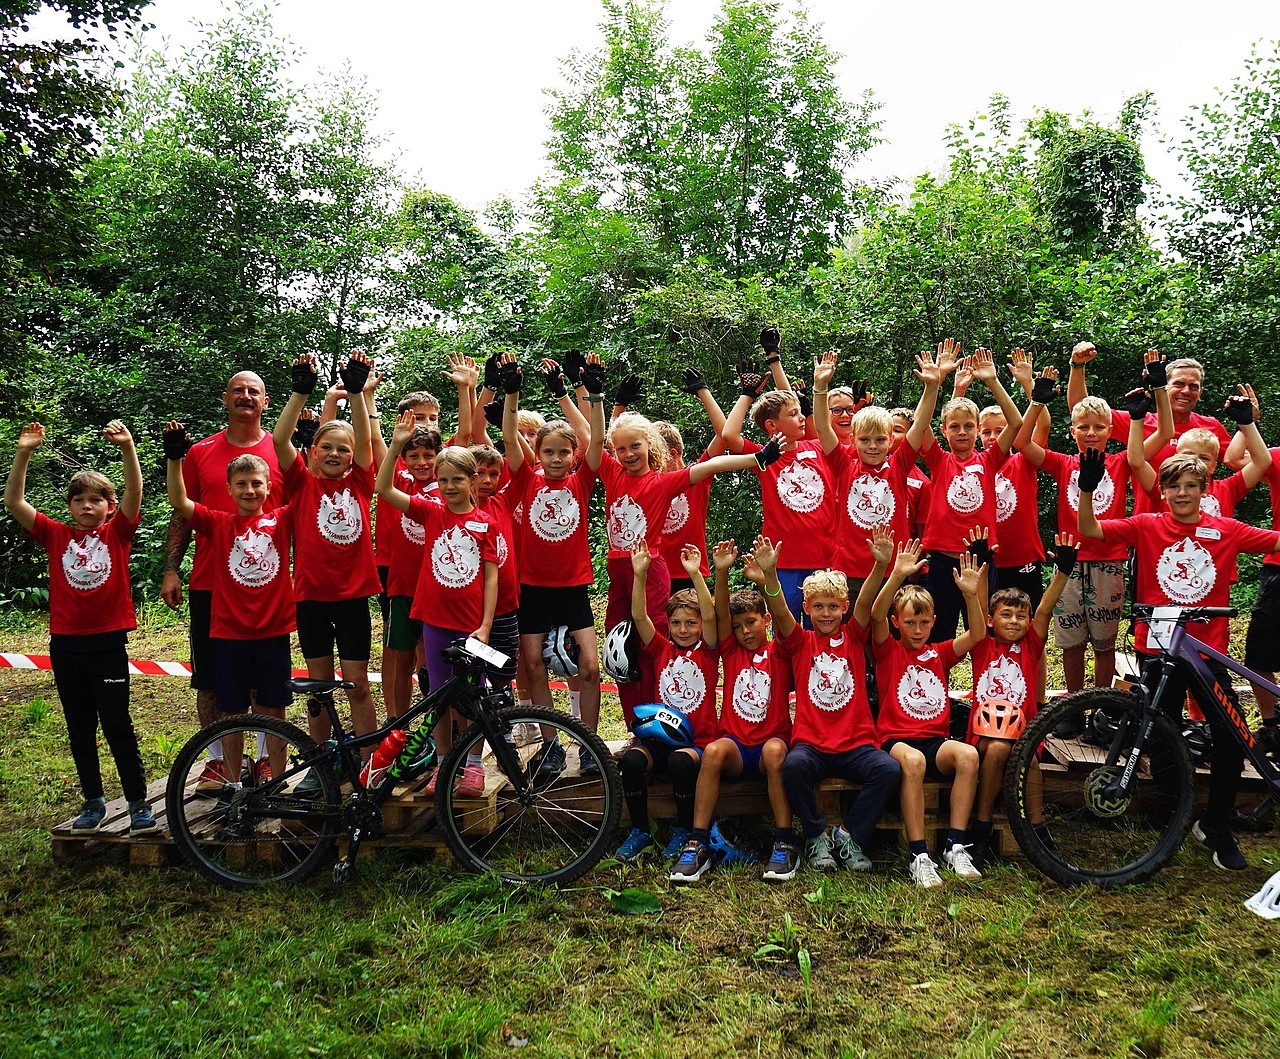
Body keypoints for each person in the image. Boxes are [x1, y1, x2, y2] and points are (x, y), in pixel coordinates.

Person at [1077, 446, 1280, 870]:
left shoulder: (1226, 529)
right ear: (1163, 492)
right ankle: (1171, 815)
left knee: (1230, 737)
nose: (1182, 493)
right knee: (1160, 733)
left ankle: (1217, 824)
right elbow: (1089, 529)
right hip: (1159, 648)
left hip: (1208, 653)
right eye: (1174, 486)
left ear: (1205, 490)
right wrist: (1087, 489)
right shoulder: (1146, 525)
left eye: (1191, 485)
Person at [584, 355, 784, 725]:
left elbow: (711, 464)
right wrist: (596, 397)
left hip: (651, 569)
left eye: (635, 447)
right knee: (619, 652)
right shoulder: (613, 473)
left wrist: (758, 459)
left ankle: (660, 720)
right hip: (618, 570)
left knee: (652, 647)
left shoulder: (662, 482)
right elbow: (595, 439)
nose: (627, 455)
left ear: (650, 446)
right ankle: (635, 725)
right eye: (621, 450)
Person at [5, 421, 154, 832]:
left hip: (108, 644)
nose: (87, 506)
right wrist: (24, 452)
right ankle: (93, 802)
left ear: (109, 505)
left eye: (96, 500)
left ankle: (138, 803)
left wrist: (128, 447)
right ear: (69, 505)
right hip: (66, 645)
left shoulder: (117, 534)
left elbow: (135, 492)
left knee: (118, 725)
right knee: (80, 727)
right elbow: (14, 501)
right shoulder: (55, 535)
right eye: (79, 500)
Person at [752, 531, 902, 875]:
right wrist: (771, 575)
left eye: (833, 606)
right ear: (806, 608)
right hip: (813, 745)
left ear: (844, 608)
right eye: (818, 606)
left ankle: (849, 836)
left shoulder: (854, 635)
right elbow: (779, 610)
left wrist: (880, 565)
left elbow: (866, 602)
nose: (825, 613)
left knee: (888, 769)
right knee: (793, 767)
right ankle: (816, 834)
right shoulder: (799, 641)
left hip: (856, 743)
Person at [160, 369, 282, 792]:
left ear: (265, 401)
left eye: (254, 391)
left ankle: (266, 759)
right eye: (238, 390)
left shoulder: (281, 449)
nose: (246, 396)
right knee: (212, 681)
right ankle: (218, 761)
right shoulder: (199, 452)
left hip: (265, 587)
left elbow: (301, 508)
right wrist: (171, 568)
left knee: (266, 683)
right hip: (211, 585)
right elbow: (182, 510)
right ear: (225, 399)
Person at [376, 412, 499, 799]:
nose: (449, 486)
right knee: (439, 698)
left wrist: (485, 625)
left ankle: (473, 764)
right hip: (434, 621)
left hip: (471, 625)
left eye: (457, 479)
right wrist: (396, 444)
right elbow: (383, 488)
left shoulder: (485, 523)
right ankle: (445, 763)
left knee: (472, 696)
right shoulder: (430, 512)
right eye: (443, 480)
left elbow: (491, 577)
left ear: (473, 480)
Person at [273, 352, 382, 772]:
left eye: (343, 449)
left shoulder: (361, 482)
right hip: (312, 600)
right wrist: (300, 393)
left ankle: (369, 764)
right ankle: (319, 764)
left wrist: (355, 394)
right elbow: (280, 440)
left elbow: (368, 444)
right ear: (314, 452)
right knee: (318, 689)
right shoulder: (301, 483)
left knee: (357, 686)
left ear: (352, 456)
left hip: (353, 599)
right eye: (328, 448)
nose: (336, 454)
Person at [668, 540, 795, 884]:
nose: (744, 632)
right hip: (737, 748)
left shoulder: (780, 650)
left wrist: (768, 579)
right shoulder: (731, 650)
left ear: (764, 620)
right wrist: (720, 572)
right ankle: (697, 842)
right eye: (738, 627)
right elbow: (719, 614)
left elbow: (783, 616)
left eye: (751, 623)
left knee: (774, 751)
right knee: (712, 751)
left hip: (770, 745)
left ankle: (784, 842)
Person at [1015, 367, 1134, 713]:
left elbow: (1147, 448)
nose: (1091, 433)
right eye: (1083, 427)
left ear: (1111, 430)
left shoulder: (1121, 462)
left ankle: (1102, 710)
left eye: (1099, 427)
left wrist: (1140, 417)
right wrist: (1037, 401)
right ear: (1072, 431)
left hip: (1109, 560)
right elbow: (1022, 444)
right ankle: (1072, 708)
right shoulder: (1064, 463)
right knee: (1070, 640)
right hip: (1069, 562)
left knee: (1104, 643)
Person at [870, 539, 987, 886]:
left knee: (968, 756)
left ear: (934, 621)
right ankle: (919, 854)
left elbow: (977, 634)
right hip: (896, 740)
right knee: (914, 762)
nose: (918, 630)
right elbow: (875, 615)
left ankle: (954, 846)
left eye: (923, 622)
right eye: (910, 623)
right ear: (896, 622)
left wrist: (970, 595)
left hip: (935, 741)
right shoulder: (887, 650)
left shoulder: (940, 653)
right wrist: (896, 575)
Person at [501, 363, 602, 733]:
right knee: (533, 667)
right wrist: (512, 393)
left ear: (574, 455)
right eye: (548, 452)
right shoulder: (526, 480)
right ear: (538, 453)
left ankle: (590, 745)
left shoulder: (582, 481)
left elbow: (597, 441)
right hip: (533, 589)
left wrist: (594, 397)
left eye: (563, 452)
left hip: (573, 588)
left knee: (589, 668)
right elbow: (509, 438)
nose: (556, 459)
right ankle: (549, 746)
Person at [966, 536, 1076, 868]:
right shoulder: (981, 644)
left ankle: (1037, 830)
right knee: (998, 749)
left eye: (1020, 616)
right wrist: (982, 566)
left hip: (1023, 732)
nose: (1014, 621)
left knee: (1028, 758)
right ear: (991, 620)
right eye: (1006, 615)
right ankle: (981, 825)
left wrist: (1062, 572)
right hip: (985, 734)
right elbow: (978, 606)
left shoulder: (1030, 646)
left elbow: (1044, 609)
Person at [615, 541, 721, 862]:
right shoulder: (662, 649)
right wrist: (640, 575)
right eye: (676, 623)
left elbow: (712, 616)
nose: (683, 630)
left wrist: (695, 574)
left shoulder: (708, 651)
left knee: (679, 763)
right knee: (631, 762)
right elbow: (639, 615)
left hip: (696, 743)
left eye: (691, 623)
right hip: (661, 739)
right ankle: (640, 832)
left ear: (700, 625)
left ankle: (684, 829)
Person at [912, 343, 1023, 641]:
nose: (962, 432)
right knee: (939, 636)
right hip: (943, 562)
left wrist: (993, 381)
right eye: (955, 427)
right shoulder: (938, 460)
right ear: (944, 431)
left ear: (977, 429)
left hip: (980, 560)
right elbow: (920, 424)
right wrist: (935, 382)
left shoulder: (989, 459)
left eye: (969, 426)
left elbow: (1016, 423)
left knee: (984, 634)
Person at [1067, 343, 1242, 510]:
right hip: (1148, 523)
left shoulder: (1210, 428)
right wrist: (1077, 366)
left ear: (1200, 392)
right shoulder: (1139, 421)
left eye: (1193, 386)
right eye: (1179, 384)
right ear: (1165, 386)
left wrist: (1248, 422)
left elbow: (1242, 461)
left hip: (1199, 522)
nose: (1186, 391)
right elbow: (1083, 410)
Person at [380, 424, 441, 721]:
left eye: (428, 455)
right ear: (403, 460)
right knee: (402, 663)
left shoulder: (448, 486)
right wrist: (395, 445)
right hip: (403, 588)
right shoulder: (401, 482)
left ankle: (438, 726)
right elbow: (381, 480)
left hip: (439, 590)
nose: (422, 462)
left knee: (435, 664)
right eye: (413, 456)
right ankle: (399, 726)